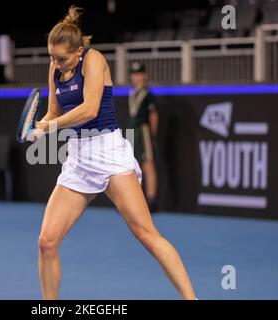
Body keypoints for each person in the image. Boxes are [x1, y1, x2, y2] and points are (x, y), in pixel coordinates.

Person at [27, 5, 197, 300]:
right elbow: (55, 109)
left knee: (147, 235)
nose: (56, 63)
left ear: (79, 50)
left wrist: (48, 125)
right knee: (47, 242)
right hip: (78, 159)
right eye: (52, 57)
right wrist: (42, 123)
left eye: (63, 58)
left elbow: (90, 109)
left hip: (108, 152)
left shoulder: (94, 60)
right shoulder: (55, 67)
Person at [128, 62, 158, 210]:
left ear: (145, 75)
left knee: (148, 164)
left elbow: (153, 116)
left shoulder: (148, 95)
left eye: (139, 74)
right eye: (134, 74)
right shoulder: (132, 94)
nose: (137, 77)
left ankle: (151, 200)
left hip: (143, 131)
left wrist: (151, 135)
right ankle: (133, 201)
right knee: (131, 166)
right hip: (132, 132)